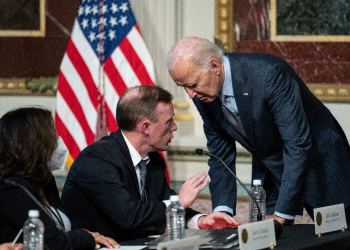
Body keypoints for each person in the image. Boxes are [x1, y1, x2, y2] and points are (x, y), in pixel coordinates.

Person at [167, 36, 350, 226]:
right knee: (269, 238)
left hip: (321, 162)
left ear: (214, 66)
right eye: (183, 87)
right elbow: (220, 152)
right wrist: (221, 211)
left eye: (193, 84)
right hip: (272, 170)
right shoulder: (203, 95)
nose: (190, 95)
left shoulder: (269, 74)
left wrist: (281, 215)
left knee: (339, 234)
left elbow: (297, 144)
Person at [61, 85, 239, 242]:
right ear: (145, 127)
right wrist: (178, 203)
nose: (174, 127)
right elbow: (127, 215)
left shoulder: (153, 159)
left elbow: (163, 204)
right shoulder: (97, 159)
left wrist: (200, 220)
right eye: (169, 121)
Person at [0, 107, 119, 250]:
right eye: (53, 134)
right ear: (35, 144)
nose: (58, 139)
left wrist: (83, 236)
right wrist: (87, 237)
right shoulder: (11, 188)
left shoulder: (45, 180)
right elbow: (54, 241)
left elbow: (63, 231)